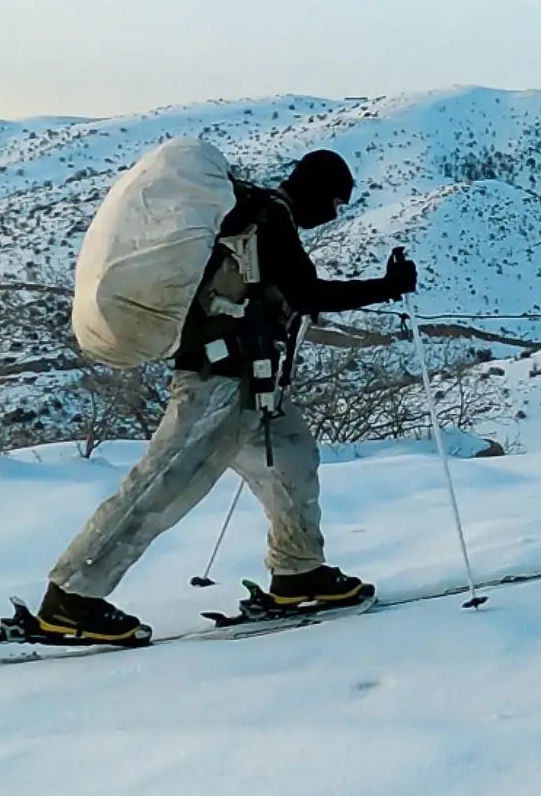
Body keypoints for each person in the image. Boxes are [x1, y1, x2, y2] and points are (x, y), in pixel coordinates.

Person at [26, 149, 419, 643]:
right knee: (164, 484)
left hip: (252, 382)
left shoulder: (256, 218)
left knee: (293, 459)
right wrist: (388, 286)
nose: (334, 216)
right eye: (336, 205)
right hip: (220, 381)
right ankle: (72, 595)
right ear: (319, 192)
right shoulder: (270, 220)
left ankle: (298, 571)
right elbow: (308, 294)